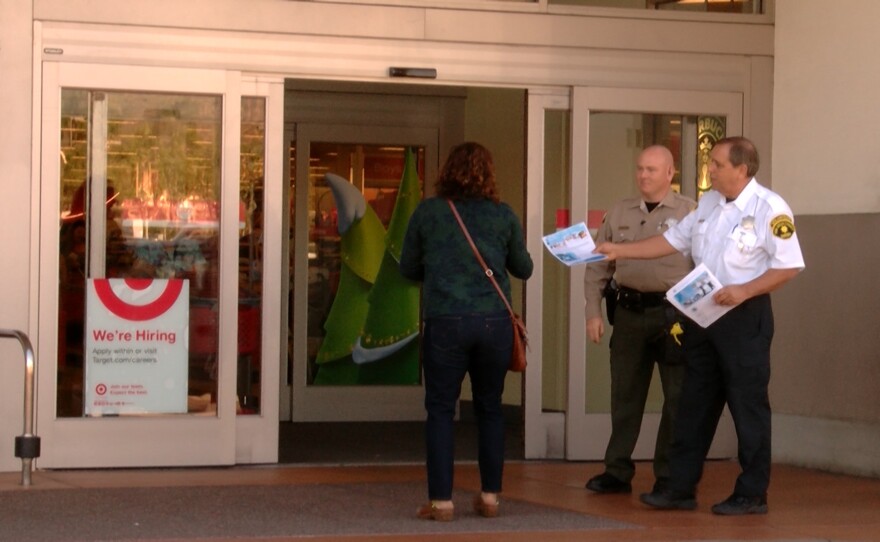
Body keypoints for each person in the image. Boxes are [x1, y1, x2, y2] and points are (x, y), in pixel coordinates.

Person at [594, 137, 805, 516]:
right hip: (702, 314)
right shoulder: (708, 203)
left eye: (718, 164)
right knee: (693, 403)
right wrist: (619, 250)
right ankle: (679, 487)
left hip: (743, 317)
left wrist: (744, 290)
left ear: (742, 169)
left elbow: (789, 265)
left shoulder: (769, 208)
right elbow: (672, 240)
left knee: (747, 405)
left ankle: (752, 492)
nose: (710, 169)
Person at [400, 142, 533, 521]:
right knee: (490, 407)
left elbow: (408, 268)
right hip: (494, 323)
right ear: (490, 173)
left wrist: (441, 271)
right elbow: (523, 268)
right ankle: (490, 496)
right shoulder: (502, 215)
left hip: (446, 321)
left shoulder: (429, 212)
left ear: (446, 171)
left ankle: (441, 502)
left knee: (441, 410)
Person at [583, 145, 696, 495]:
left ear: (669, 173)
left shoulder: (691, 212)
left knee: (677, 396)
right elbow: (598, 265)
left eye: (651, 169)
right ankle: (617, 470)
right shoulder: (619, 211)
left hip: (674, 315)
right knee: (625, 394)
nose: (643, 175)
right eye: (640, 169)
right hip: (630, 312)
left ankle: (668, 475)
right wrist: (593, 312)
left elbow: (707, 265)